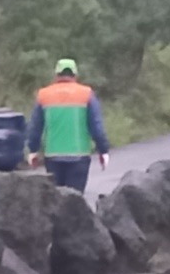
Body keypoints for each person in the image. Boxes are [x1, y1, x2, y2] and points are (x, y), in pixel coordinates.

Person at [26, 58, 110, 193]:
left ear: (56, 75)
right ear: (75, 75)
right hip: (79, 157)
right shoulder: (86, 94)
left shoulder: (43, 95)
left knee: (56, 202)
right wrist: (103, 150)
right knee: (75, 202)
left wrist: (33, 150)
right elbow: (96, 126)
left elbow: (35, 127)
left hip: (53, 157)